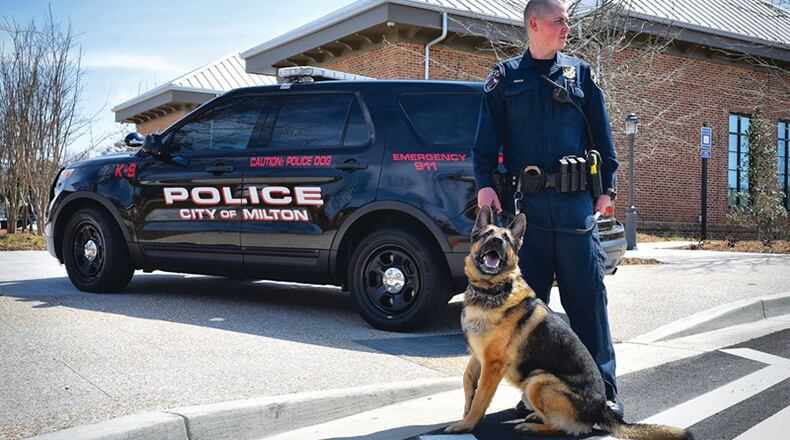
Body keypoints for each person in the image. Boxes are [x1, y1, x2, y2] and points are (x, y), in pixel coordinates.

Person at [473, 0, 623, 416]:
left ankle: (603, 390)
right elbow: (485, 143)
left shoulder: (581, 75)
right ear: (534, 24)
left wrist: (606, 186)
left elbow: (602, 136)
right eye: (559, 21)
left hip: (575, 209)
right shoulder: (504, 79)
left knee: (588, 301)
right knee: (528, 312)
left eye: (568, 21)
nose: (567, 27)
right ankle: (535, 396)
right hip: (529, 214)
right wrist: (485, 185)